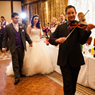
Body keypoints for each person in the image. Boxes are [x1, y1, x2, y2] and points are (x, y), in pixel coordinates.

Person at [49, 5, 95, 95]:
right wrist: (57, 40)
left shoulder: (79, 26)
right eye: (69, 13)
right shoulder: (60, 27)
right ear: (66, 14)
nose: (71, 15)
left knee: (73, 83)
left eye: (73, 13)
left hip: (75, 59)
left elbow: (82, 41)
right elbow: (51, 38)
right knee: (67, 84)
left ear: (75, 13)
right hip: (64, 60)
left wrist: (88, 30)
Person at [2, 12, 32, 85]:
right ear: (12, 18)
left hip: (21, 46)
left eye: (18, 18)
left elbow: (25, 35)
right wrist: (3, 47)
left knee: (20, 61)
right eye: (16, 18)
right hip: (13, 47)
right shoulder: (8, 27)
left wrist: (30, 41)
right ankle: (17, 77)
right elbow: (5, 38)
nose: (17, 19)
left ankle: (20, 73)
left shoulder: (22, 25)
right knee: (15, 62)